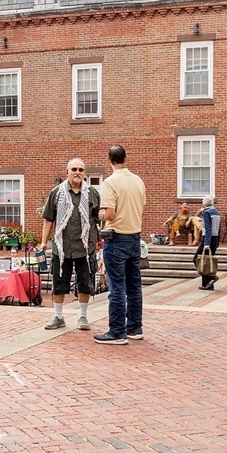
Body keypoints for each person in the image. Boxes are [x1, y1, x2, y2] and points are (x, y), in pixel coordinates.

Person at [40, 158, 100, 332]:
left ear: (85, 173)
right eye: (74, 169)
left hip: (85, 247)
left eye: (81, 170)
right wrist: (44, 242)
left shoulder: (92, 193)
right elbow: (48, 219)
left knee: (85, 283)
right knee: (59, 283)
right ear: (67, 172)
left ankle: (83, 317)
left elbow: (98, 218)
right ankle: (58, 317)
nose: (77, 172)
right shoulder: (56, 193)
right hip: (62, 247)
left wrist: (99, 240)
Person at [95, 145, 146, 345]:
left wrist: (101, 214)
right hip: (135, 236)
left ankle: (117, 332)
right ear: (126, 158)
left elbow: (110, 214)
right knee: (134, 285)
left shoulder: (110, 182)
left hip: (116, 238)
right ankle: (135, 327)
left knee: (116, 286)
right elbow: (141, 210)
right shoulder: (138, 181)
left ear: (110, 160)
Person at [195, 196, 221, 290]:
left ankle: (211, 277)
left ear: (205, 203)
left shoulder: (207, 212)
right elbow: (219, 229)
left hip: (207, 238)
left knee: (197, 259)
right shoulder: (216, 212)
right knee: (207, 261)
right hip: (215, 238)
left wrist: (206, 243)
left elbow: (208, 228)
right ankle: (208, 284)